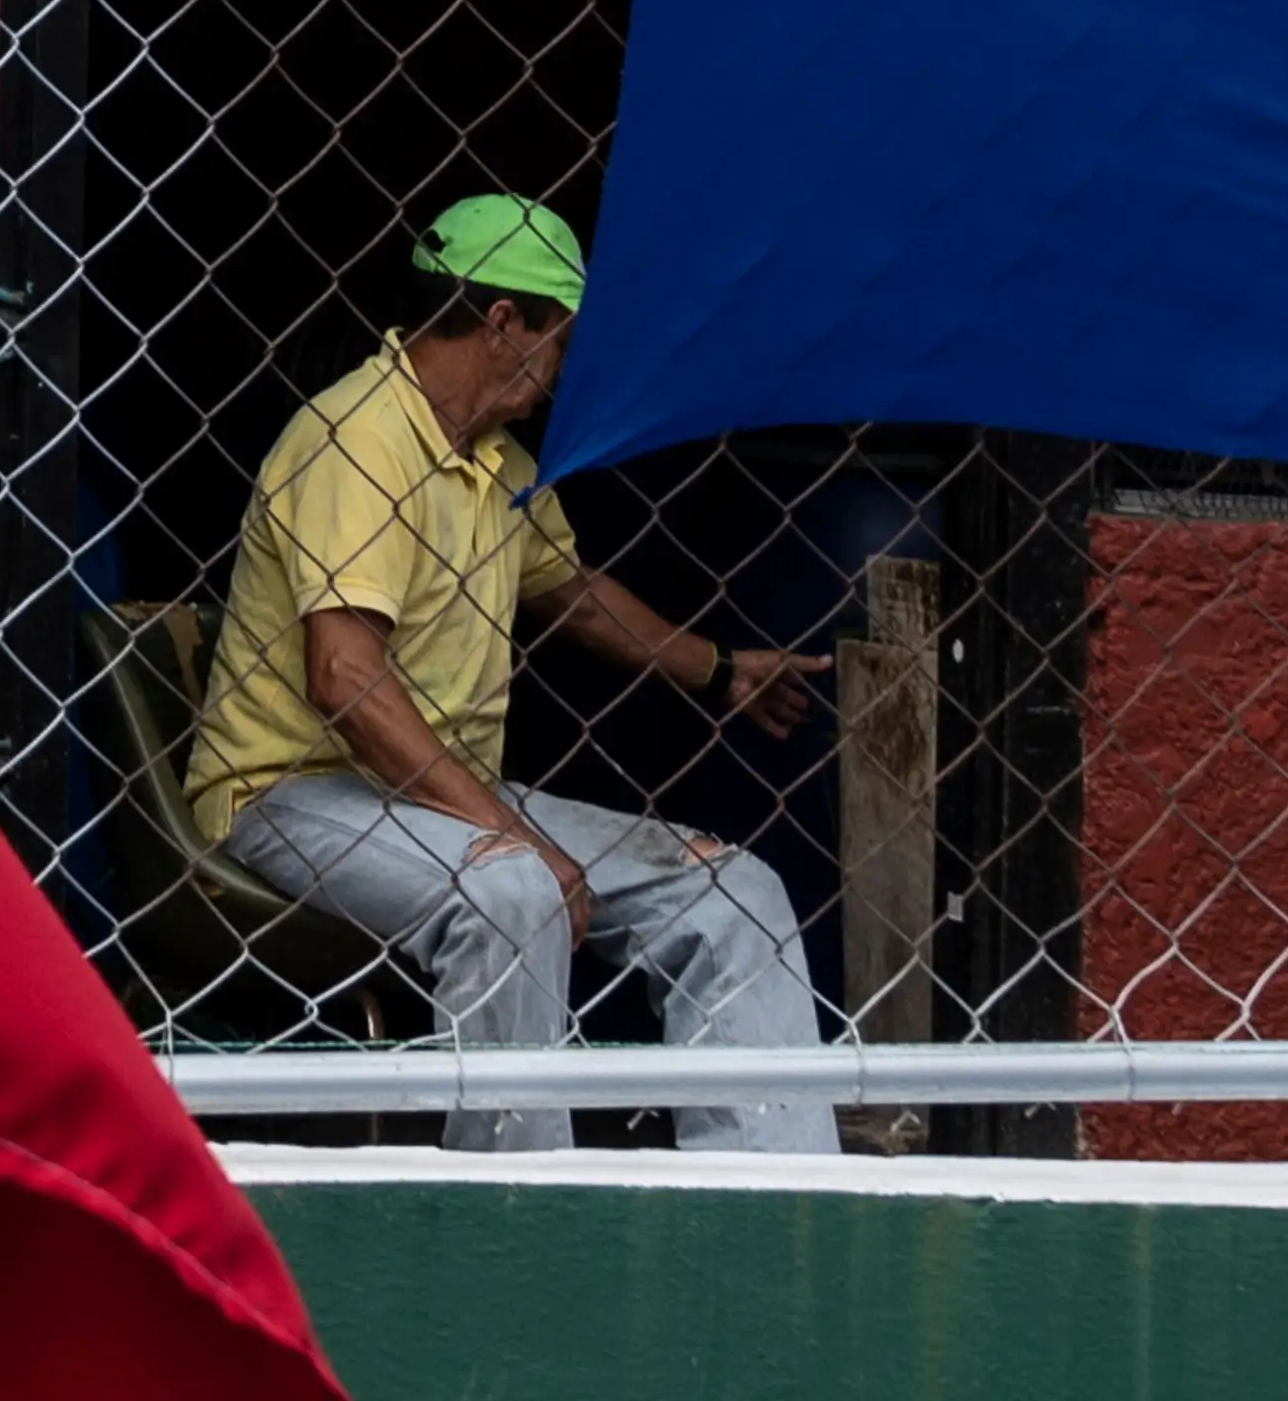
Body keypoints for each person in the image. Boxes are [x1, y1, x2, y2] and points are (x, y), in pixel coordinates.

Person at [181, 196, 843, 1153]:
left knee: (737, 893)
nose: (561, 371)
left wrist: (720, 668)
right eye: (558, 341)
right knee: (516, 890)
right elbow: (345, 679)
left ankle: (767, 1225)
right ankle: (521, 1223)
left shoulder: (492, 462)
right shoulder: (355, 439)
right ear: (501, 324)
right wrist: (511, 836)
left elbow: (571, 594)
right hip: (289, 796)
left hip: (440, 800)